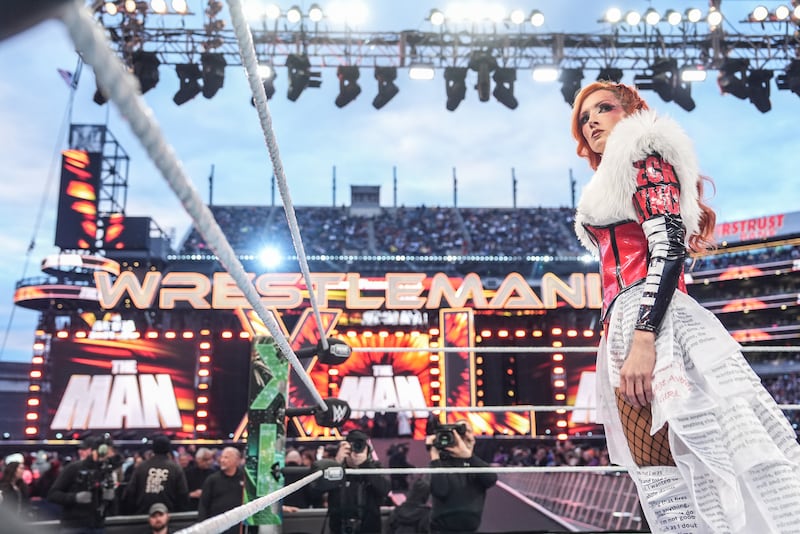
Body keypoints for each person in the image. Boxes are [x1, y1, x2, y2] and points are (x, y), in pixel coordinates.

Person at [571, 80, 800, 533]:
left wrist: (643, 337)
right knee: (664, 479)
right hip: (631, 321)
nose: (592, 120)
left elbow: (670, 248)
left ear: (632, 111)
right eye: (583, 117)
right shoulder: (619, 173)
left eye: (603, 108)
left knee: (703, 467)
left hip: (653, 323)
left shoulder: (643, 157)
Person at [425, 419, 496, 533]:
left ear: (474, 439)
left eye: (468, 431)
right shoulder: (441, 464)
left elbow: (491, 480)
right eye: (460, 433)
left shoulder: (477, 465)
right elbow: (440, 491)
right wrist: (434, 456)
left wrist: (468, 457)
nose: (465, 436)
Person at [47, 436, 118, 533]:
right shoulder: (73, 468)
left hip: (97, 525)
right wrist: (74, 498)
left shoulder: (106, 470)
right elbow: (53, 494)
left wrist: (110, 498)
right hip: (75, 526)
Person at [328, 429, 390, 534]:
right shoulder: (337, 469)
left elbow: (385, 490)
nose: (356, 451)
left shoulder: (375, 469)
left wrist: (365, 465)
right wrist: (336, 463)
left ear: (368, 450)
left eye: (360, 446)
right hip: (339, 528)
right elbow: (316, 491)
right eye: (353, 446)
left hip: (369, 528)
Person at [123, 435, 189, 515]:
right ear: (168, 449)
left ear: (153, 449)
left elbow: (130, 492)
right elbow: (183, 494)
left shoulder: (141, 467)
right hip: (168, 516)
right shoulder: (176, 468)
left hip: (143, 514)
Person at [197, 447, 244, 534]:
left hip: (237, 526)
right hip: (216, 526)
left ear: (237, 460)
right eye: (222, 457)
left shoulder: (244, 478)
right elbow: (203, 505)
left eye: (226, 457)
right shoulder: (212, 479)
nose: (222, 460)